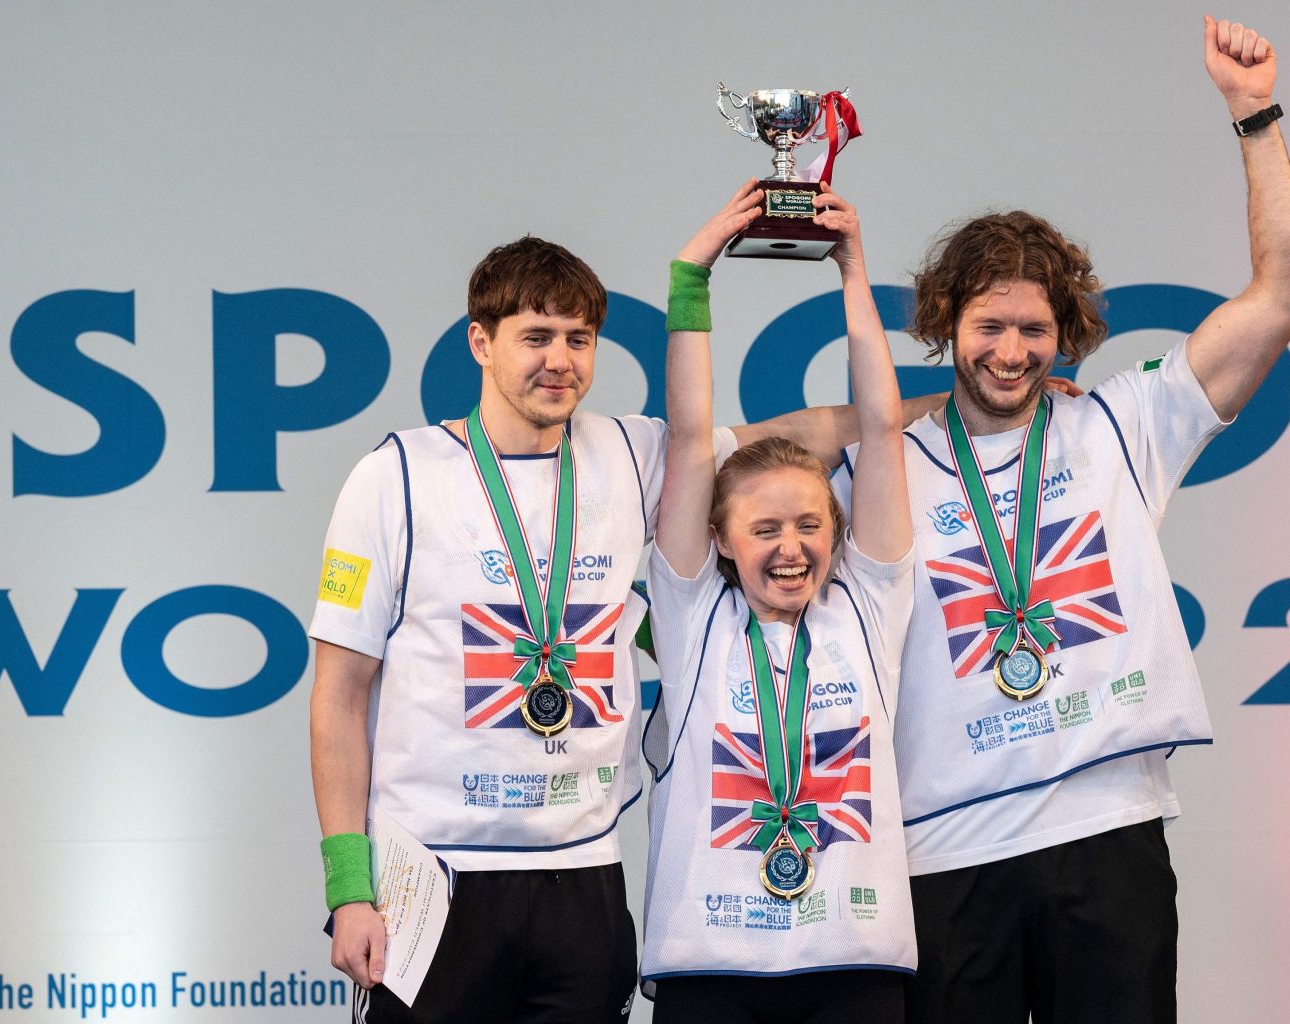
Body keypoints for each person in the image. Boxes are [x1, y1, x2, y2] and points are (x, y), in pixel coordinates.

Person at [307, 228, 950, 1022]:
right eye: (536, 337)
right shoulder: (394, 476)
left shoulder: (627, 452)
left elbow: (805, 433)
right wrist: (349, 887)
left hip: (584, 874)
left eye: (579, 339)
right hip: (436, 873)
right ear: (480, 342)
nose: (560, 360)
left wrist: (956, 409)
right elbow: (339, 695)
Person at [832, 17, 1290, 1023]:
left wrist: (1255, 115)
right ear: (946, 325)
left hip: (1107, 836)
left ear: (1066, 334)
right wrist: (890, 419)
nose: (1011, 352)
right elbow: (735, 451)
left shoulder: (1121, 426)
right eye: (989, 326)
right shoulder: (879, 469)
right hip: (947, 851)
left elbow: (1287, 294)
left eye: (1034, 329)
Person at [640, 182, 917, 1022]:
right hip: (710, 965)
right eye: (764, 529)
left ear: (837, 530)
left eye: (808, 524)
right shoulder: (693, 616)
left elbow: (882, 428)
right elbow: (691, 438)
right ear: (721, 540)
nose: (790, 547)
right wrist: (691, 278)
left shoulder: (867, 608)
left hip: (853, 962)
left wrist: (853, 269)